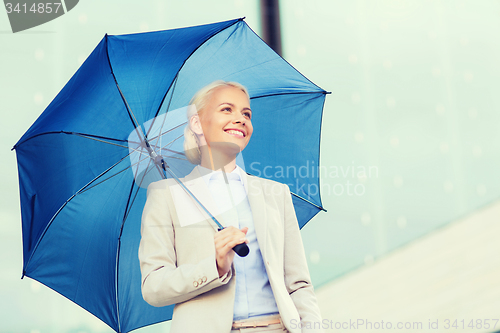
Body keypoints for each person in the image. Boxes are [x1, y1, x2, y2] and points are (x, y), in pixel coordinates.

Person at [139, 81, 323, 333]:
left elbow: (299, 284)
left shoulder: (274, 193)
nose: (240, 119)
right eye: (227, 109)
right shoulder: (167, 195)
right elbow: (153, 287)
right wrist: (215, 265)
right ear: (197, 123)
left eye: (246, 113)